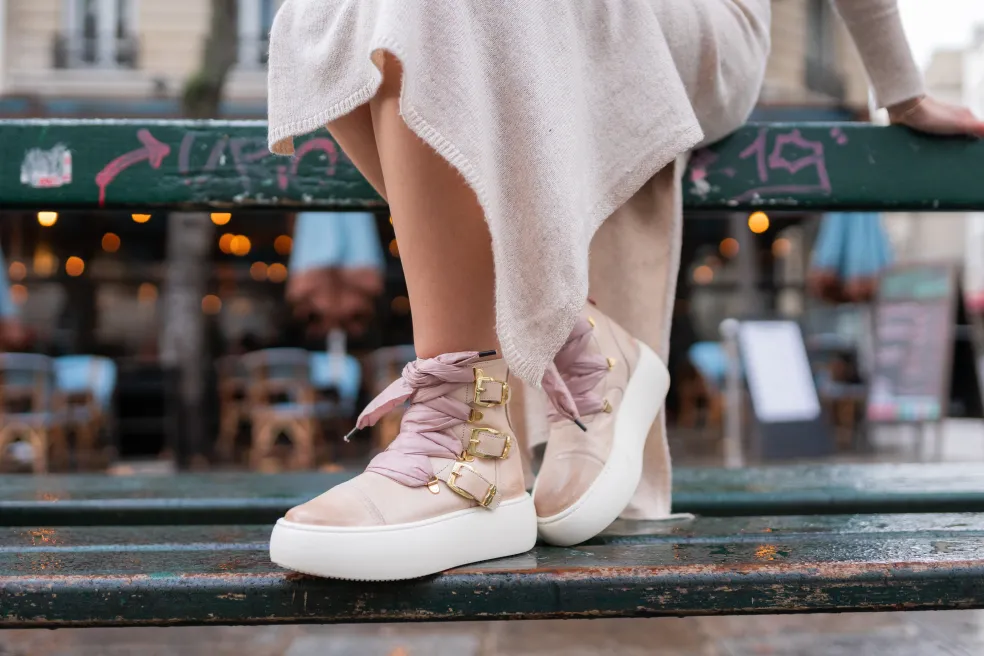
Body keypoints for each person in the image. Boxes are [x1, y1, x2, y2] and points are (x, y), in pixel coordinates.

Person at [265, 0, 984, 581]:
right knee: (326, 13)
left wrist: (902, 88)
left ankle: (471, 444)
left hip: (699, 26)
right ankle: (571, 333)